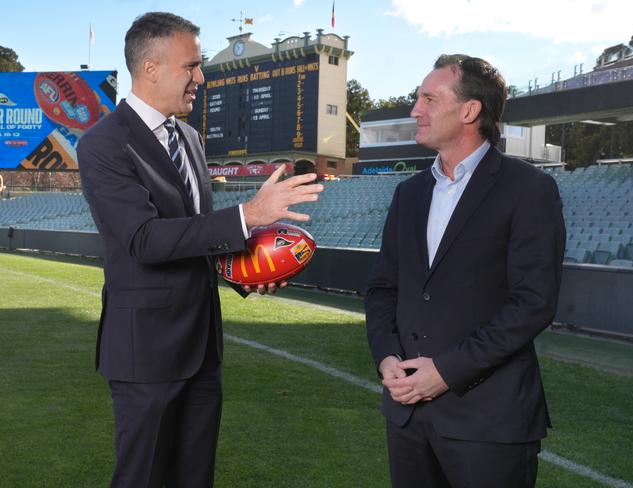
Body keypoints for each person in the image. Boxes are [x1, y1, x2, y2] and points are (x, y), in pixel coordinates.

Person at [78, 12, 323, 488]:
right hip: (145, 353)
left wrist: (242, 270)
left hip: (202, 348)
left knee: (195, 478)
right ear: (150, 68)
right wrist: (248, 216)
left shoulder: (188, 137)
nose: (201, 78)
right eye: (191, 66)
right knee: (143, 478)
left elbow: (192, 236)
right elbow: (144, 240)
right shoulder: (102, 144)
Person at [364, 54, 565, 487]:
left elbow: (533, 303)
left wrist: (446, 372)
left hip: (489, 422)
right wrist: (386, 358)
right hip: (407, 418)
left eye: (429, 99)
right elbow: (383, 288)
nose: (416, 110)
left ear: (470, 110)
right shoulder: (408, 194)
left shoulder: (528, 188)